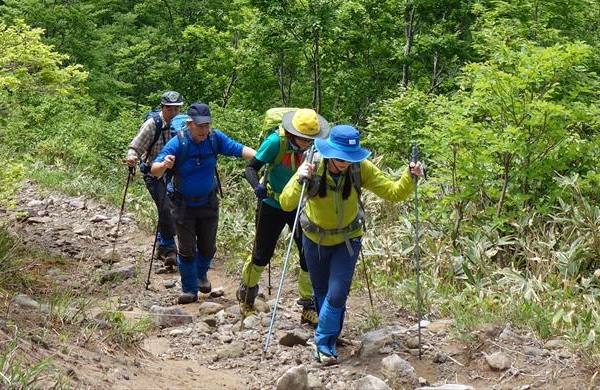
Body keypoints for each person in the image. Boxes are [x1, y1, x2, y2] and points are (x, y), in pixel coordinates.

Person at [280, 124, 425, 366]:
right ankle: (332, 336)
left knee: (337, 292)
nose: (345, 162)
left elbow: (393, 192)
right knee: (322, 293)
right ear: (330, 152)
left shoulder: (360, 168)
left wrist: (410, 177)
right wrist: (300, 179)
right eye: (341, 158)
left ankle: (323, 343)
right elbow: (286, 203)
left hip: (347, 240)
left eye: (349, 158)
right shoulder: (313, 165)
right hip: (314, 239)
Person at [147, 102, 256, 303]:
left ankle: (201, 275)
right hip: (182, 205)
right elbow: (154, 169)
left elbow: (238, 149)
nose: (203, 130)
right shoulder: (178, 143)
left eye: (206, 125)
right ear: (189, 124)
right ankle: (189, 289)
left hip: (208, 202)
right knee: (187, 249)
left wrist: (262, 157)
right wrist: (164, 164)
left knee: (207, 247)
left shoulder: (215, 139)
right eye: (199, 126)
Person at [238, 107, 329, 322]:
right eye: (305, 139)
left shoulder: (315, 148)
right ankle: (247, 297)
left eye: (311, 138)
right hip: (272, 203)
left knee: (308, 254)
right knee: (262, 254)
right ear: (292, 134)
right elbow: (251, 169)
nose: (309, 142)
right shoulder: (274, 143)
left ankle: (309, 307)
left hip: (299, 204)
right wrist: (256, 188)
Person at [125, 90, 185, 270]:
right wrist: (131, 157)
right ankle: (168, 248)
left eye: (177, 109)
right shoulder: (152, 124)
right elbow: (135, 146)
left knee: (176, 209)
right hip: (154, 173)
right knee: (165, 208)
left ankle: (163, 244)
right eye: (170, 109)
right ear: (162, 108)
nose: (174, 113)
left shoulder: (182, 125)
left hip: (175, 174)